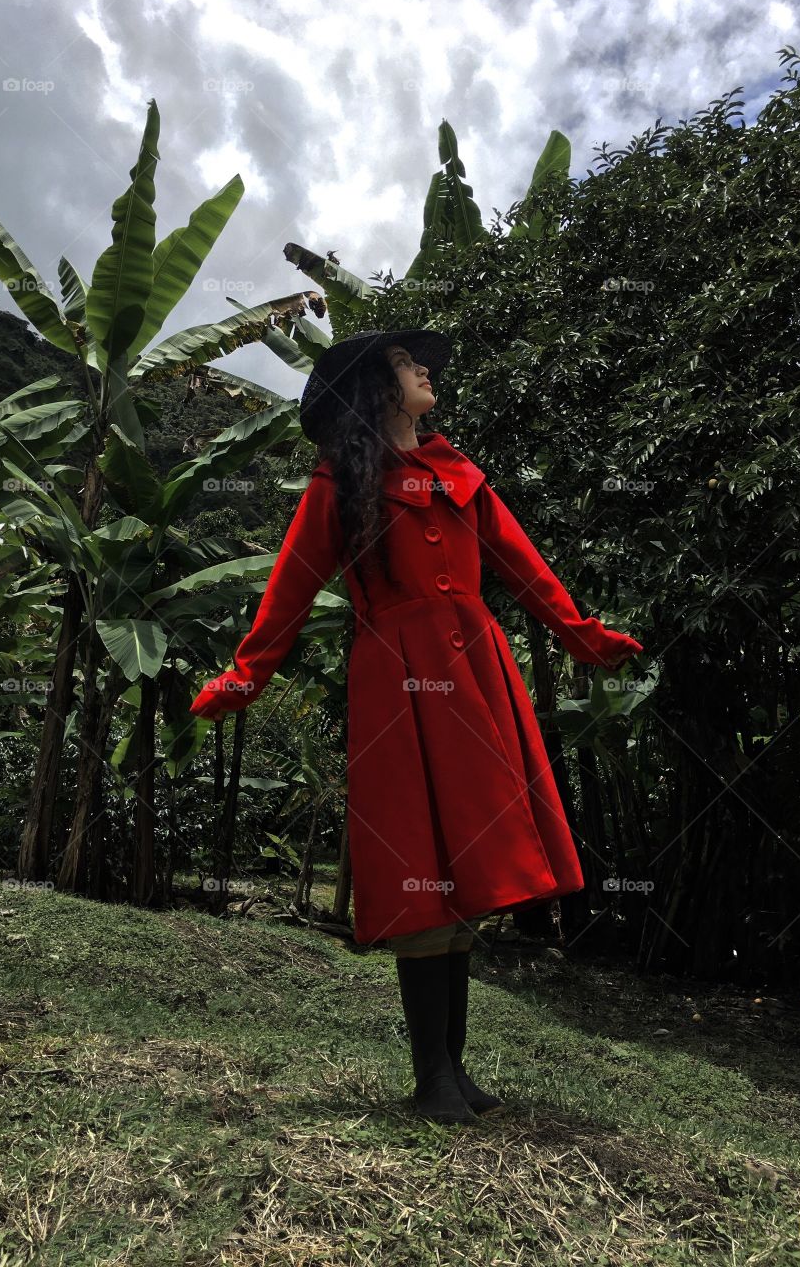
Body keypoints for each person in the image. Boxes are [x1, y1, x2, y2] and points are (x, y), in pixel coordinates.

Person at [190, 329, 644, 1123]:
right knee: (420, 866)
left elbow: (524, 567)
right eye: (404, 364)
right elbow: (291, 586)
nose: (423, 368)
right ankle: (430, 1076)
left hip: (476, 674)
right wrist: (246, 674)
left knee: (464, 868)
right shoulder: (339, 482)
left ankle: (453, 1071)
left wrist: (583, 635)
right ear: (373, 389)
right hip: (397, 679)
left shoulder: (459, 472)